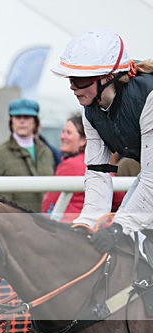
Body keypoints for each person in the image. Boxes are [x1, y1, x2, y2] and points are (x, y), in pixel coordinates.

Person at [51, 29, 153, 252]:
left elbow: (151, 177)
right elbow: (97, 172)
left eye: (79, 80)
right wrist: (87, 223)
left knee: (127, 231)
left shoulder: (149, 97)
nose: (72, 87)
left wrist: (120, 229)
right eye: (71, 79)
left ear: (108, 78)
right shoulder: (90, 109)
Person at [41, 114, 126, 223]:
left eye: (68, 133)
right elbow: (119, 198)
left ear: (83, 140)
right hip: (96, 228)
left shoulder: (69, 165)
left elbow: (49, 202)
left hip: (70, 228)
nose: (62, 137)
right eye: (63, 132)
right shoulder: (101, 163)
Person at [0, 98, 55, 211]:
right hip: (11, 223)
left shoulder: (46, 152)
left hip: (43, 222)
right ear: (11, 121)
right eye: (17, 117)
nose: (22, 121)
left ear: (35, 122)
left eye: (27, 117)